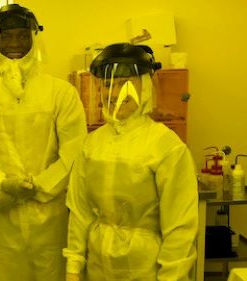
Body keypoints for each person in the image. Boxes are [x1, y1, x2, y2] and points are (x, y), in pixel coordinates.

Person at [0, 4, 87, 281]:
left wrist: (34, 188)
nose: (15, 44)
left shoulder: (61, 94)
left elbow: (74, 154)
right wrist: (1, 183)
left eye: (22, 35)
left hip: (51, 216)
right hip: (4, 219)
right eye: (6, 37)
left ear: (34, 37)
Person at [63, 43, 198, 281]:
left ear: (145, 87)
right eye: (107, 84)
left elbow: (180, 229)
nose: (115, 94)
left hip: (146, 269)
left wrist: (171, 276)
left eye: (125, 83)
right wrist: (74, 266)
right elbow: (80, 212)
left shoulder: (166, 147)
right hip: (98, 268)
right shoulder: (91, 145)